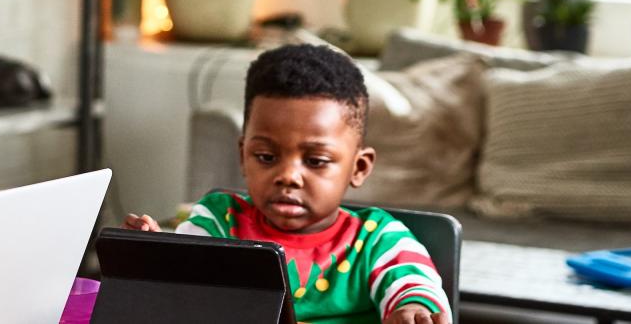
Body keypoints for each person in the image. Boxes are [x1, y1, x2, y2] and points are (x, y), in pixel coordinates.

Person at [123, 45, 450, 324]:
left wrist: (413, 309)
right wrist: (157, 263)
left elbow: (415, 286)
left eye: (315, 161)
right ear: (243, 155)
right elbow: (185, 289)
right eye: (266, 156)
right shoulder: (220, 221)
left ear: (358, 167)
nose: (288, 176)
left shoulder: (378, 239)